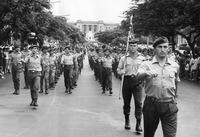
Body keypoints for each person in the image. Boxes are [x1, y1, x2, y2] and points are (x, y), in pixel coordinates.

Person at [137, 37, 180, 137]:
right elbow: (138, 77)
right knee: (149, 134)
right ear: (155, 49)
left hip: (169, 105)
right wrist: (146, 73)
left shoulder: (175, 65)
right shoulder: (146, 64)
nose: (162, 49)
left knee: (170, 135)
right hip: (151, 105)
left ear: (168, 48)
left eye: (165, 47)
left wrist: (175, 98)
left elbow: (176, 82)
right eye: (159, 47)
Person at [117, 40, 145, 132]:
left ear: (137, 47)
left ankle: (138, 124)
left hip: (138, 82)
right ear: (128, 47)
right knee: (126, 103)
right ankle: (127, 121)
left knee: (139, 103)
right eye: (131, 45)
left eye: (135, 45)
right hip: (127, 81)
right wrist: (121, 72)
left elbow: (146, 70)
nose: (133, 47)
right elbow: (118, 69)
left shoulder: (142, 58)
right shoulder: (123, 58)